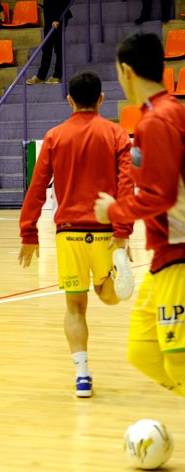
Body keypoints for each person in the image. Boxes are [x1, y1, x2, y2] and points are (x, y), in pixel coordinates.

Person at [19, 70, 135, 398]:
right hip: (104, 231)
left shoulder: (55, 137)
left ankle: (82, 375)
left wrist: (29, 233)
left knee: (75, 308)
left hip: (68, 233)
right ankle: (115, 272)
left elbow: (37, 186)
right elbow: (127, 185)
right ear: (101, 99)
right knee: (109, 296)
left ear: (69, 101)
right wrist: (123, 232)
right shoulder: (116, 135)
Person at [94, 31, 185, 398]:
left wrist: (114, 210)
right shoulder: (167, 111)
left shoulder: (157, 121)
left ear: (126, 71)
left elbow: (160, 196)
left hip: (179, 253)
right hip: (164, 257)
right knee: (142, 350)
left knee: (177, 360)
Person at [26, 0, 71, 86]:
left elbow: (63, 3)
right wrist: (49, 20)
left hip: (58, 20)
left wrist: (56, 19)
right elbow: (48, 4)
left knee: (58, 48)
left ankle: (57, 75)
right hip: (49, 20)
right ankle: (41, 76)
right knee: (46, 48)